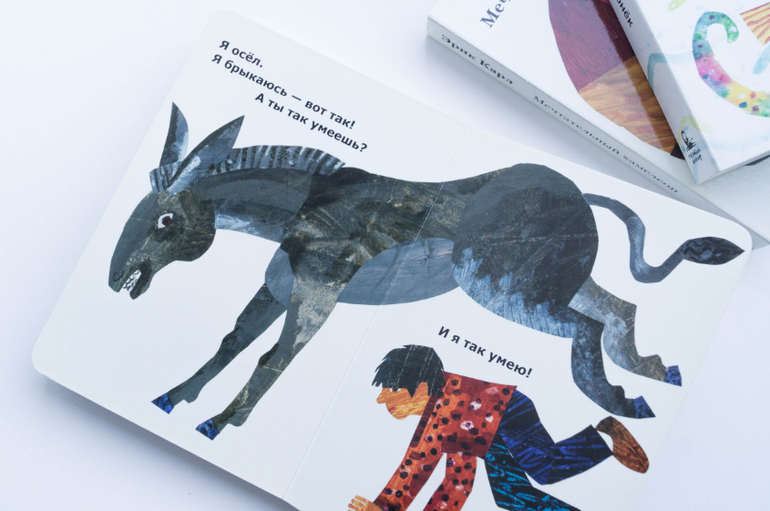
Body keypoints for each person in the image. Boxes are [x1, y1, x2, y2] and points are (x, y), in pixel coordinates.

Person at [348, 345, 649, 511]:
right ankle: (601, 438)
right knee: (510, 495)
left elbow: (451, 482)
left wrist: (385, 508)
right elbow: (423, 468)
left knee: (544, 469)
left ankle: (605, 436)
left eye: (391, 389)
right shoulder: (438, 410)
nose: (381, 398)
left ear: (423, 387)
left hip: (509, 412)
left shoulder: (446, 416)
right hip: (482, 430)